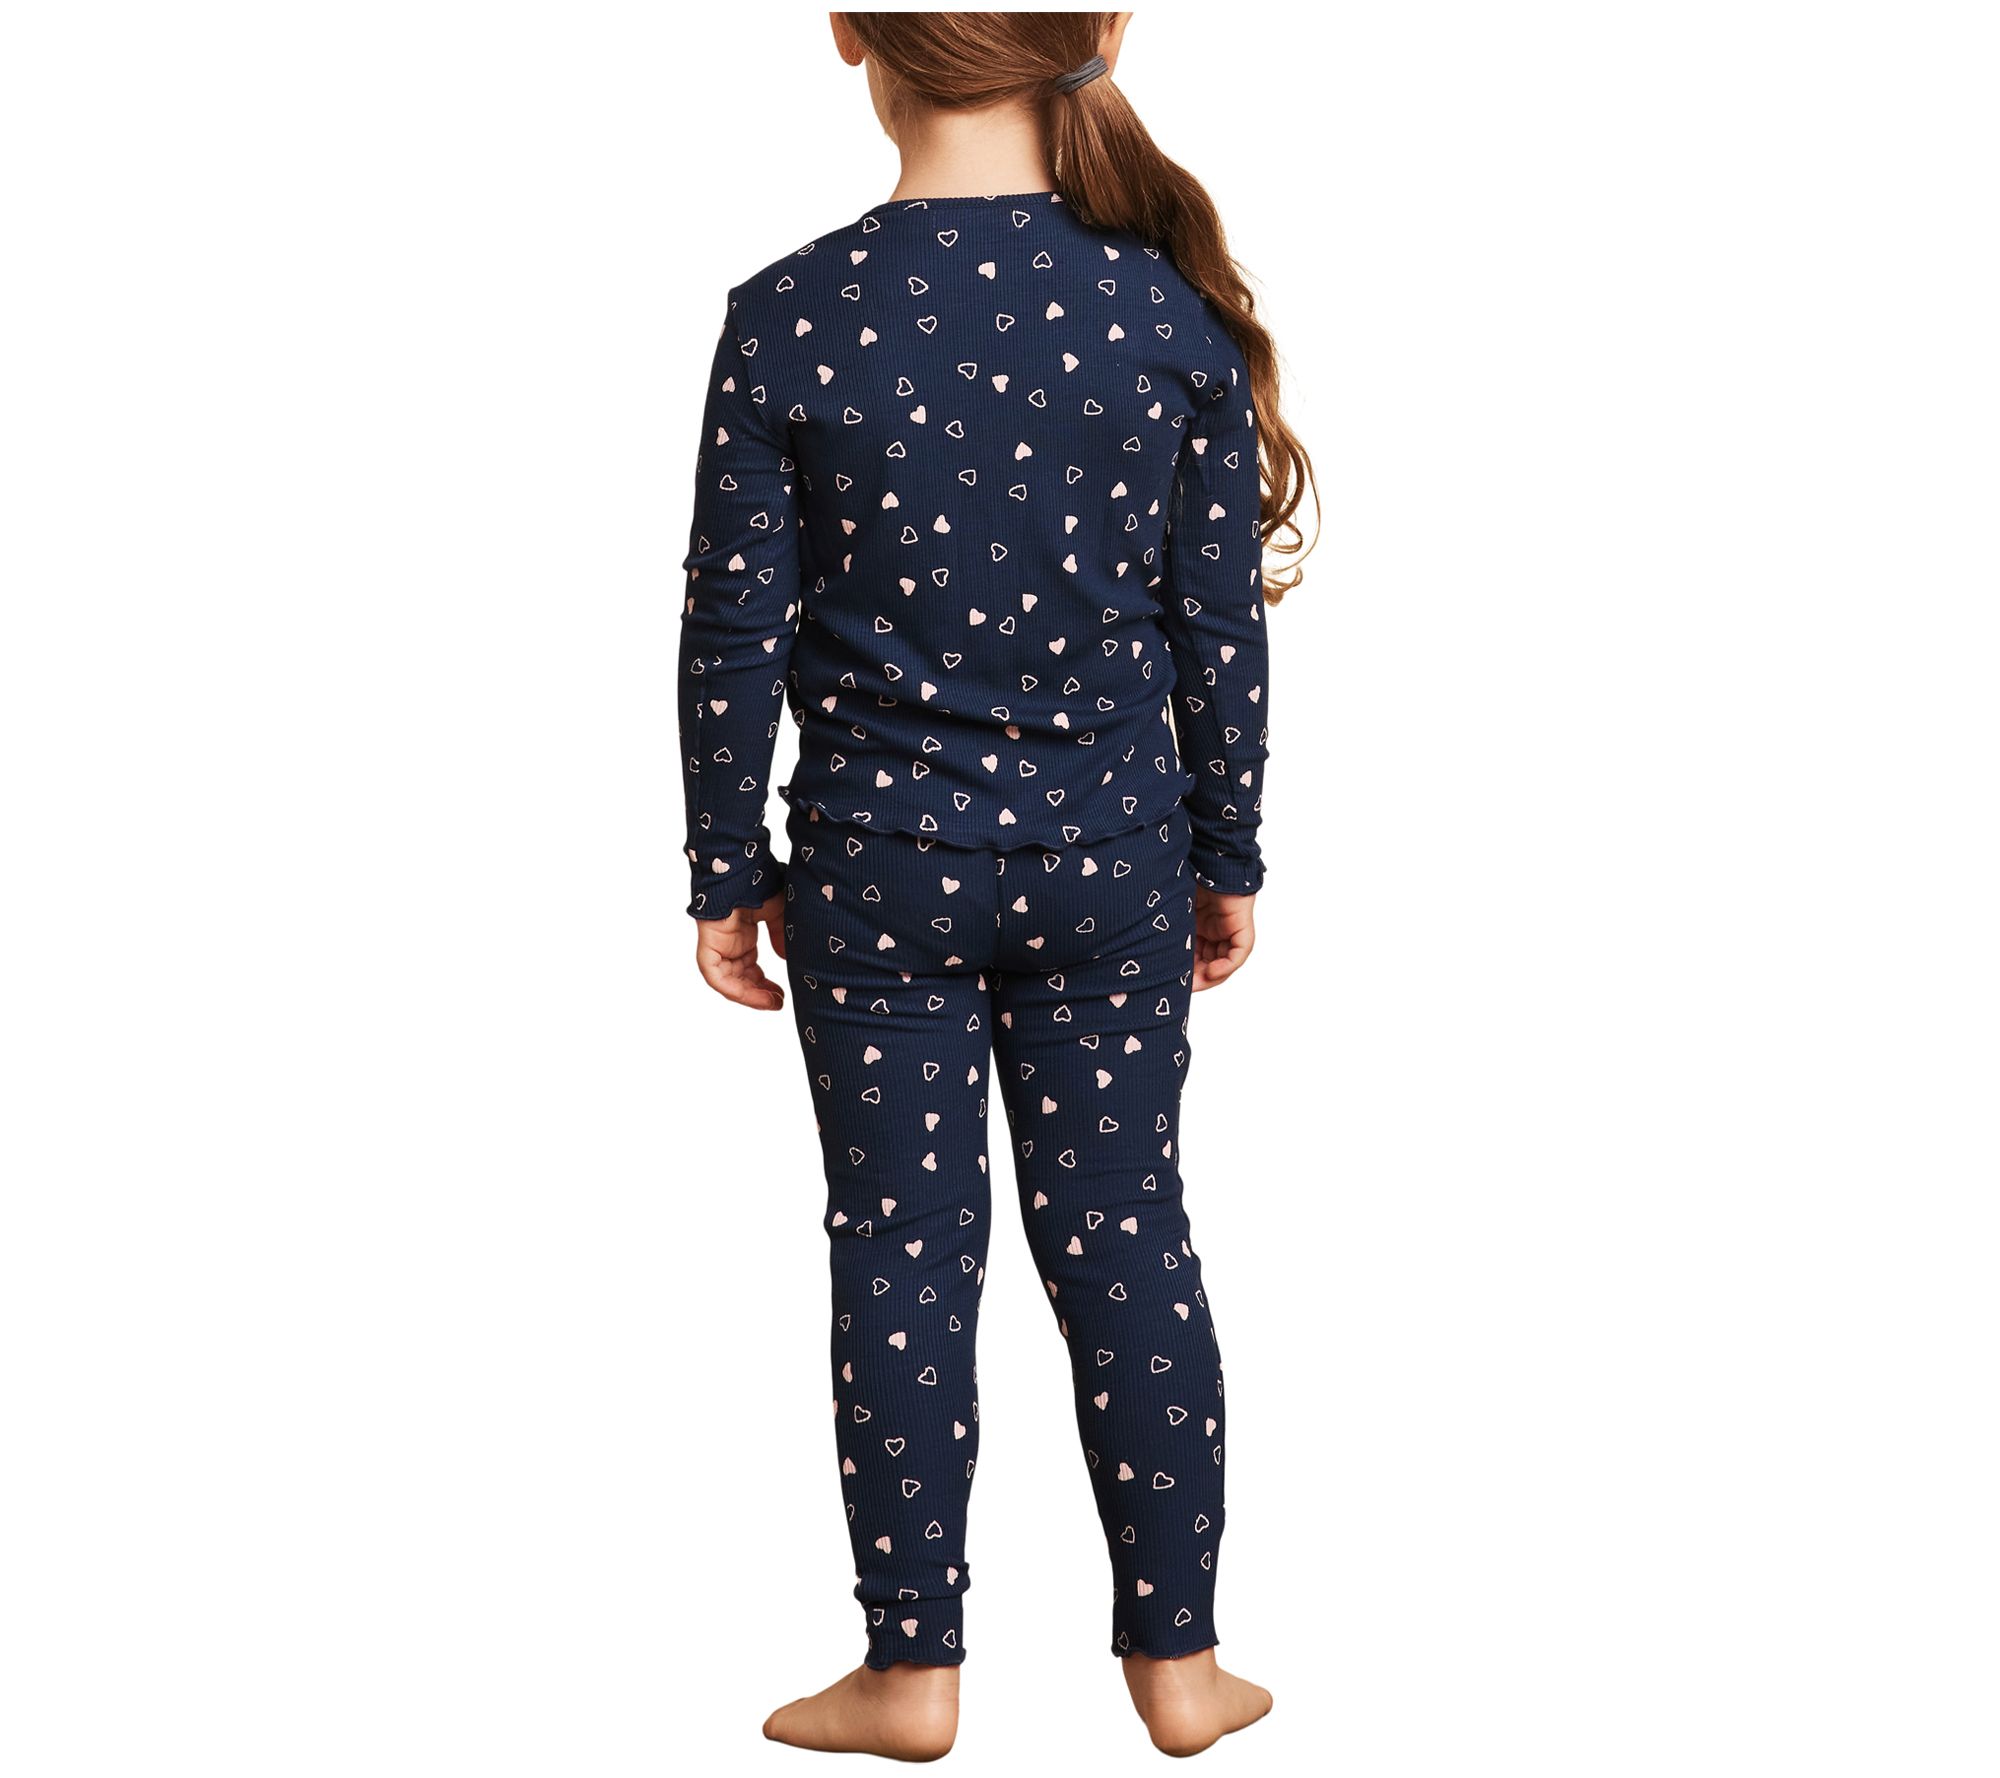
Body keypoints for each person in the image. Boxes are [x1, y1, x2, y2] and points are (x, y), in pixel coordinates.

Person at [677, 12, 1314, 1759]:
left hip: (876, 872)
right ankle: (1180, 1665)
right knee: (1128, 1233)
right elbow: (1218, 631)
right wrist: (1229, 854)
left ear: (846, 33)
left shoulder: (789, 316)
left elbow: (732, 624)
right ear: (1100, 28)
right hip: (1114, 864)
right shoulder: (1164, 318)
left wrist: (724, 868)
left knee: (900, 1250)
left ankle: (912, 1671)